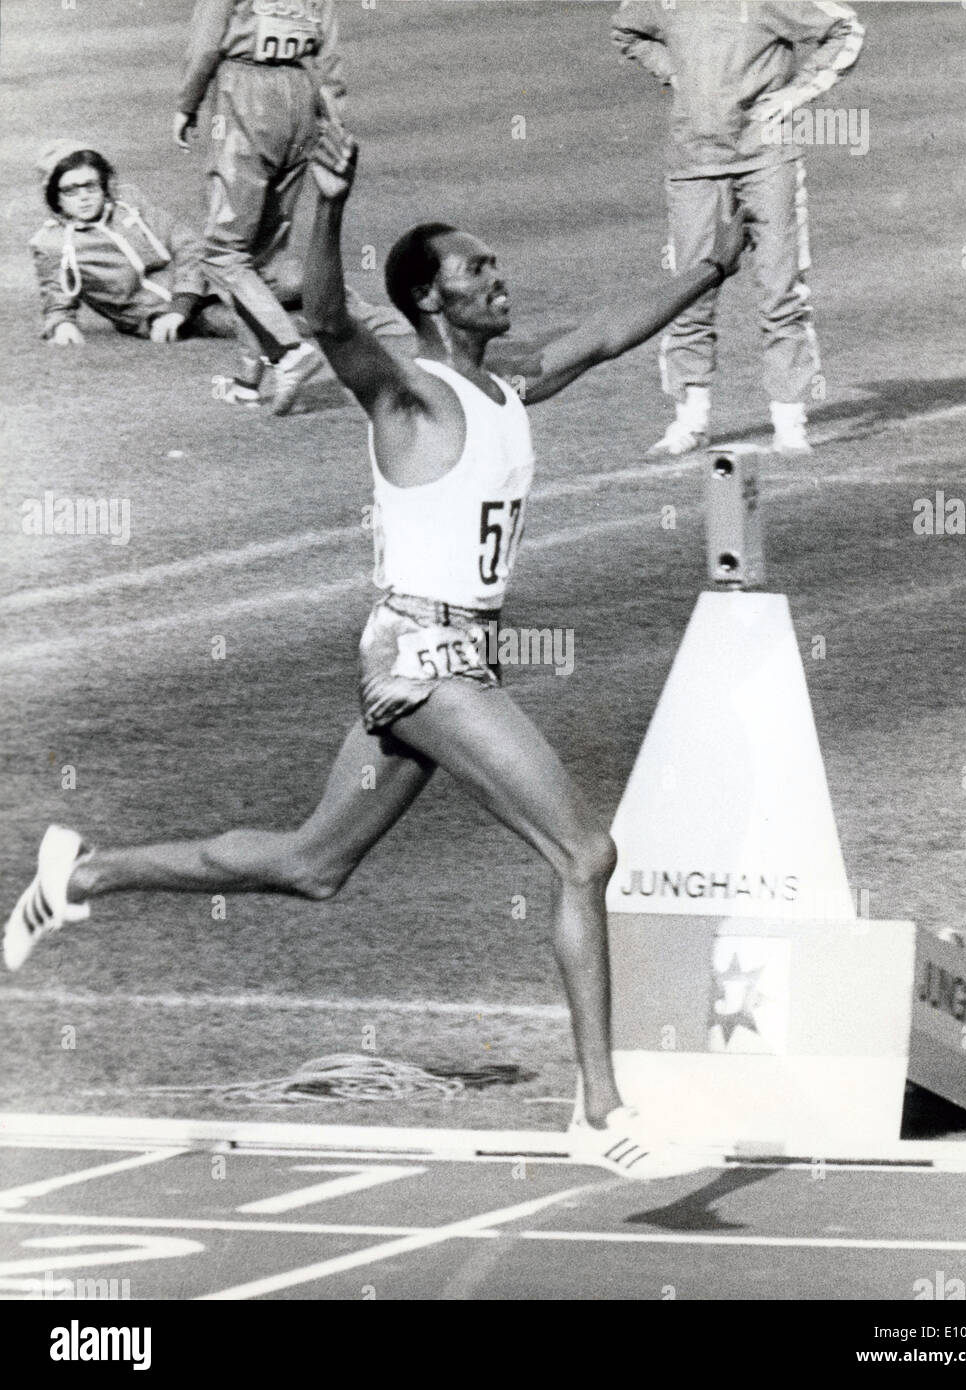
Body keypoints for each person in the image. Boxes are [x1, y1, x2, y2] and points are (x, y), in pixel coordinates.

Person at [4, 122, 747, 1179]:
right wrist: (331, 203)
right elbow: (330, 318)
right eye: (475, 270)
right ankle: (599, 1110)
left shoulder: (509, 382)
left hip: (448, 660)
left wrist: (713, 263)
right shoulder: (405, 392)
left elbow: (613, 332)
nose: (499, 279)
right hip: (422, 660)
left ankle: (83, 874)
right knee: (585, 854)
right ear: (433, 300)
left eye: (494, 264)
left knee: (314, 865)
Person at [611, 0, 864, 456]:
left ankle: (789, 422)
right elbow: (626, 31)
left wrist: (797, 93)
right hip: (694, 163)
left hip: (767, 159)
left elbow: (846, 29)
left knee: (780, 290)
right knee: (690, 293)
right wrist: (675, 74)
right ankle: (691, 421)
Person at [175, 0, 352, 413]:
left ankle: (290, 351)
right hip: (301, 98)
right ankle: (247, 380)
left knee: (222, 252)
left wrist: (187, 105)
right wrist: (336, 123)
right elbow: (329, 57)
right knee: (261, 256)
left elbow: (205, 47)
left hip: (247, 94)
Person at [30, 141, 233, 346]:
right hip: (158, 315)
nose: (83, 197)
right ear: (54, 196)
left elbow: (186, 244)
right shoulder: (52, 243)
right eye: (70, 190)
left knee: (260, 297)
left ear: (104, 185)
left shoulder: (130, 204)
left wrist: (182, 303)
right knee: (248, 323)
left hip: (204, 287)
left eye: (90, 186)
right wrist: (62, 325)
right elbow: (57, 299)